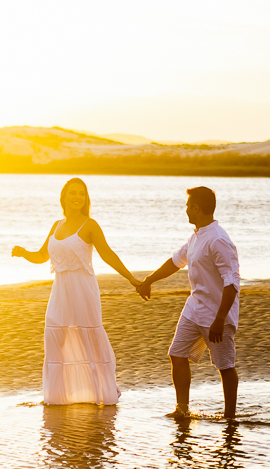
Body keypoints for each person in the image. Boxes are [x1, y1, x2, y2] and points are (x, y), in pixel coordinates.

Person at [12, 178, 143, 405]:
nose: (77, 197)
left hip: (83, 289)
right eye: (73, 193)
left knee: (88, 338)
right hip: (60, 291)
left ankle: (105, 391)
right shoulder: (56, 225)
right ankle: (57, 396)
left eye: (81, 194)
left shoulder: (89, 225)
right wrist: (24, 253)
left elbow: (108, 255)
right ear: (63, 197)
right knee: (56, 337)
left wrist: (132, 278)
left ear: (86, 198)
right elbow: (43, 256)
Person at [136, 186, 240, 419]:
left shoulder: (219, 240)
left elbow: (232, 282)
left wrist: (220, 319)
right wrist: (149, 280)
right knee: (177, 354)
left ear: (196, 207)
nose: (185, 210)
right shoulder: (196, 236)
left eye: (187, 206)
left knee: (225, 366)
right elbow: (175, 262)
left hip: (217, 314)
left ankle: (230, 418)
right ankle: (182, 410)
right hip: (195, 309)